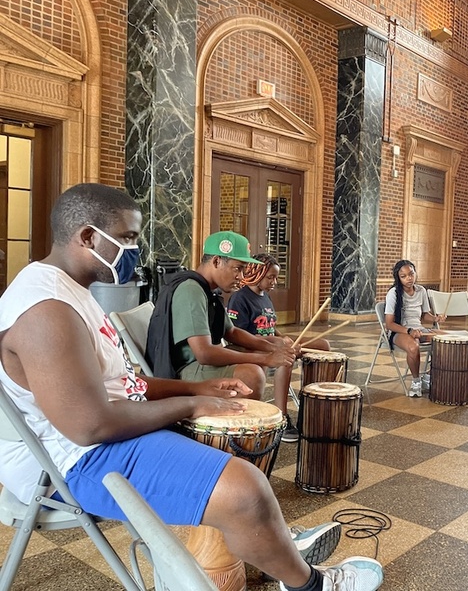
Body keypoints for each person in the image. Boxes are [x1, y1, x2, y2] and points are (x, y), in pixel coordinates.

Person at [0, 183, 383, 591]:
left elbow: (124, 384)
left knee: (227, 446)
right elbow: (88, 426)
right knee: (247, 491)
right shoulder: (46, 310)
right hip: (67, 464)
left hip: (92, 440)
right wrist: (190, 405)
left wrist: (201, 391)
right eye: (128, 238)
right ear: (88, 237)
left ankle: (269, 544)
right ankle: (312, 584)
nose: (135, 250)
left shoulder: (72, 291)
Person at [145, 230, 296, 400]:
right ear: (217, 261)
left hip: (197, 363)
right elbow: (204, 353)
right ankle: (239, 417)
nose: (241, 277)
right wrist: (266, 358)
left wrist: (273, 347)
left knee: (258, 350)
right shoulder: (191, 290)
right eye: (237, 269)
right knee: (252, 374)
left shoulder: (206, 290)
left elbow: (232, 332)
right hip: (182, 371)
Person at [226, 253, 331, 442]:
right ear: (257, 274)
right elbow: (239, 337)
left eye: (276, 277)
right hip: (250, 349)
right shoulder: (239, 298)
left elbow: (270, 327)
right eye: (270, 277)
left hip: (271, 344)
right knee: (286, 359)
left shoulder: (265, 296)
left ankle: (313, 407)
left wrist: (283, 338)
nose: (274, 282)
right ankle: (282, 418)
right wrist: (277, 344)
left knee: (322, 345)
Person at [383, 259, 445, 397]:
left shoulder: (421, 290)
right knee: (413, 346)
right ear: (398, 278)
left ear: (415, 273)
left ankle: (428, 376)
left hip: (419, 329)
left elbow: (424, 315)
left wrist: (436, 318)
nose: (409, 278)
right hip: (399, 331)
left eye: (411, 274)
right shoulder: (394, 293)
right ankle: (416, 382)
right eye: (403, 276)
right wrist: (409, 331)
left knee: (447, 340)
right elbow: (389, 324)